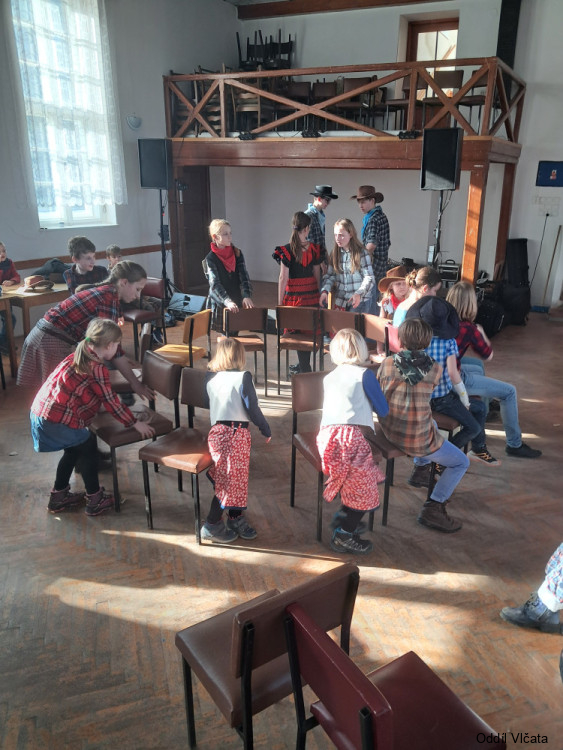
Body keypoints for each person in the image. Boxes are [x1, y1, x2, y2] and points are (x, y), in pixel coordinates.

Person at [30, 318, 155, 516]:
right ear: (109, 345)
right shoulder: (96, 367)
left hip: (42, 413)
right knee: (87, 449)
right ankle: (95, 500)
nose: (118, 349)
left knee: (73, 452)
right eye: (118, 345)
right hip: (56, 418)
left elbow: (86, 393)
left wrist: (99, 407)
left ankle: (59, 497)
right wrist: (134, 423)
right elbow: (111, 400)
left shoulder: (80, 354)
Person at [377, 319, 470, 532]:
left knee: (431, 422)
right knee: (461, 462)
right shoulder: (435, 369)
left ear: (400, 340)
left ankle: (421, 469)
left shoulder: (387, 363)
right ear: (427, 342)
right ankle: (434, 507)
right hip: (417, 438)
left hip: (389, 428)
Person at [17, 261, 154, 403]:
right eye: (138, 289)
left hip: (45, 336)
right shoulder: (107, 298)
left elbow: (109, 348)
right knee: (58, 397)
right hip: (49, 341)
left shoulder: (109, 294)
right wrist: (135, 384)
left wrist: (121, 361)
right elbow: (110, 347)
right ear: (124, 282)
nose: (138, 296)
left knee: (59, 395)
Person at [405, 295, 497, 483]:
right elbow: (454, 375)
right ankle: (444, 457)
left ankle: (464, 452)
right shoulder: (448, 342)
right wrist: (465, 399)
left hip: (419, 400)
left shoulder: (414, 340)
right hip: (442, 400)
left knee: (478, 409)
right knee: (474, 424)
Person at [446, 281, 542, 460]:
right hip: (453, 379)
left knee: (478, 367)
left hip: (441, 373)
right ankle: (514, 444)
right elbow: (487, 354)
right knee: (509, 392)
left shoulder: (443, 321)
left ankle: (482, 419)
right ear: (471, 304)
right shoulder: (469, 328)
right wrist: (481, 332)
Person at [317, 328, 389, 555]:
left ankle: (345, 516)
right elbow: (383, 410)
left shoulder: (329, 377)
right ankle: (343, 535)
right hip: (349, 439)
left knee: (358, 480)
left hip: (327, 439)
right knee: (366, 490)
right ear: (361, 349)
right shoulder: (364, 375)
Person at [202, 338, 271, 544]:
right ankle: (212, 524)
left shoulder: (210, 378)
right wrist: (265, 428)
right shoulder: (243, 377)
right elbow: (252, 408)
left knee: (232, 479)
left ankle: (235, 516)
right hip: (235, 434)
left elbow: (208, 403)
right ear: (240, 356)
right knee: (230, 481)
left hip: (217, 433)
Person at [273, 211, 323, 374]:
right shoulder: (315, 249)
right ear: (307, 228)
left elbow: (283, 278)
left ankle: (304, 368)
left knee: (297, 332)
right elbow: (317, 274)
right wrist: (318, 294)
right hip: (311, 295)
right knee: (308, 332)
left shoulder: (286, 250)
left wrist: (280, 304)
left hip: (293, 297)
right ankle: (304, 367)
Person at [105, 244, 164, 345]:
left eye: (119, 256)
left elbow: (135, 285)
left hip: (135, 296)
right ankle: (146, 334)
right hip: (125, 301)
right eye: (114, 257)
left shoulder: (127, 269)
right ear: (108, 258)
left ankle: (158, 331)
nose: (117, 259)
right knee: (149, 307)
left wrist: (143, 295)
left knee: (159, 303)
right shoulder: (108, 273)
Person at [205, 219, 253, 332]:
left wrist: (246, 295)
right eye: (225, 234)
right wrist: (227, 301)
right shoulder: (210, 258)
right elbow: (215, 284)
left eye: (230, 233)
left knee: (235, 333)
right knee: (225, 337)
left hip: (236, 298)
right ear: (215, 237)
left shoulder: (237, 253)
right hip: (221, 301)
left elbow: (244, 277)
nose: (229, 237)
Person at [351, 185, 390, 314]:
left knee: (368, 305)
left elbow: (371, 245)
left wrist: (359, 262)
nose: (360, 205)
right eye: (359, 202)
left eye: (363, 202)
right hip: (381, 266)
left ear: (372, 201)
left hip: (373, 266)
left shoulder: (373, 219)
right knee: (373, 303)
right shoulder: (381, 216)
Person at [319, 219, 374, 312]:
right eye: (335, 235)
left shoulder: (361, 253)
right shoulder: (335, 253)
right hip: (341, 301)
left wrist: (359, 293)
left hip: (359, 301)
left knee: (354, 321)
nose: (337, 238)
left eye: (341, 235)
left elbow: (369, 277)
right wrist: (325, 291)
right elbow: (330, 276)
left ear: (351, 234)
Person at [305, 184, 338, 259]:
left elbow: (321, 240)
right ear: (319, 199)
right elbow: (308, 242)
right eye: (327, 200)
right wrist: (318, 261)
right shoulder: (308, 216)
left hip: (320, 258)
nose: (328, 203)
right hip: (312, 260)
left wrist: (325, 257)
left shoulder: (320, 215)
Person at [0, 240, 21, 354]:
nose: (2, 254)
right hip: (1, 298)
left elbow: (17, 276)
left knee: (9, 319)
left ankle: (4, 344)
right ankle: (3, 343)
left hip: (6, 296)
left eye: (4, 251)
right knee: (10, 319)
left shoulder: (9, 262)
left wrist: (11, 281)